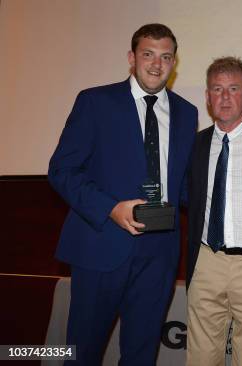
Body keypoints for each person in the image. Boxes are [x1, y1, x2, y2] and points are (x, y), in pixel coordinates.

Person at [48, 23, 197, 365]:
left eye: (166, 57)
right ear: (132, 58)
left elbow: (184, 184)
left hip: (159, 253)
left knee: (141, 354)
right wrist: (110, 208)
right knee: (81, 352)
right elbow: (61, 170)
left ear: (174, 63)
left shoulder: (186, 113)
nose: (156, 65)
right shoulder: (95, 102)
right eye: (148, 55)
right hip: (102, 244)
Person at [185, 57, 242, 366]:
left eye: (233, 88)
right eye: (217, 89)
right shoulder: (194, 145)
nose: (224, 97)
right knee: (201, 357)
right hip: (206, 261)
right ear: (207, 96)